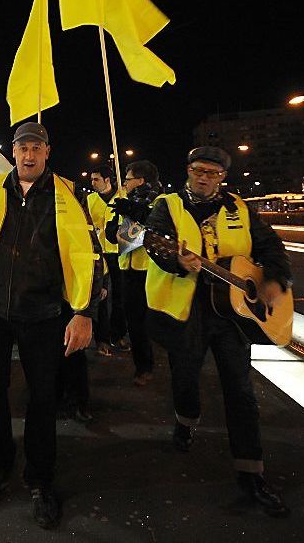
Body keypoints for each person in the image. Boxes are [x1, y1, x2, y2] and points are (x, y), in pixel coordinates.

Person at [0, 122, 102, 530]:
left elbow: (90, 254)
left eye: (37, 147)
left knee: (42, 397)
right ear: (13, 153)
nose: (29, 154)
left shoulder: (70, 195)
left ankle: (40, 477)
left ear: (48, 152)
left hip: (44, 315)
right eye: (23, 147)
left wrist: (84, 312)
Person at [142, 146, 292, 517]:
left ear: (222, 177)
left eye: (212, 172)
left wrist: (273, 279)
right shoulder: (168, 204)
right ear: (188, 170)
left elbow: (272, 246)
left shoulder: (240, 209)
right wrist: (175, 259)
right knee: (186, 378)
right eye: (197, 169)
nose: (204, 176)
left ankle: (251, 473)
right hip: (187, 312)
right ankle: (185, 420)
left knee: (241, 392)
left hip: (232, 317)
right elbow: (153, 242)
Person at [106, 160, 161, 386]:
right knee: (134, 321)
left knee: (152, 321)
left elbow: (152, 224)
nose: (125, 184)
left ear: (141, 180)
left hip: (151, 272)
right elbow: (119, 235)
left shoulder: (160, 202)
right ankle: (143, 365)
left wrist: (133, 212)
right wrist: (113, 230)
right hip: (127, 269)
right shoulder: (125, 203)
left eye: (128, 179)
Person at [87, 165, 129, 356]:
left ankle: (117, 334)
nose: (92, 182)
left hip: (119, 254)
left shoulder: (122, 198)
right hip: (99, 254)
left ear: (107, 180)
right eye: (92, 179)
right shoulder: (89, 200)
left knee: (119, 297)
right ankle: (101, 338)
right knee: (101, 297)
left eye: (96, 179)